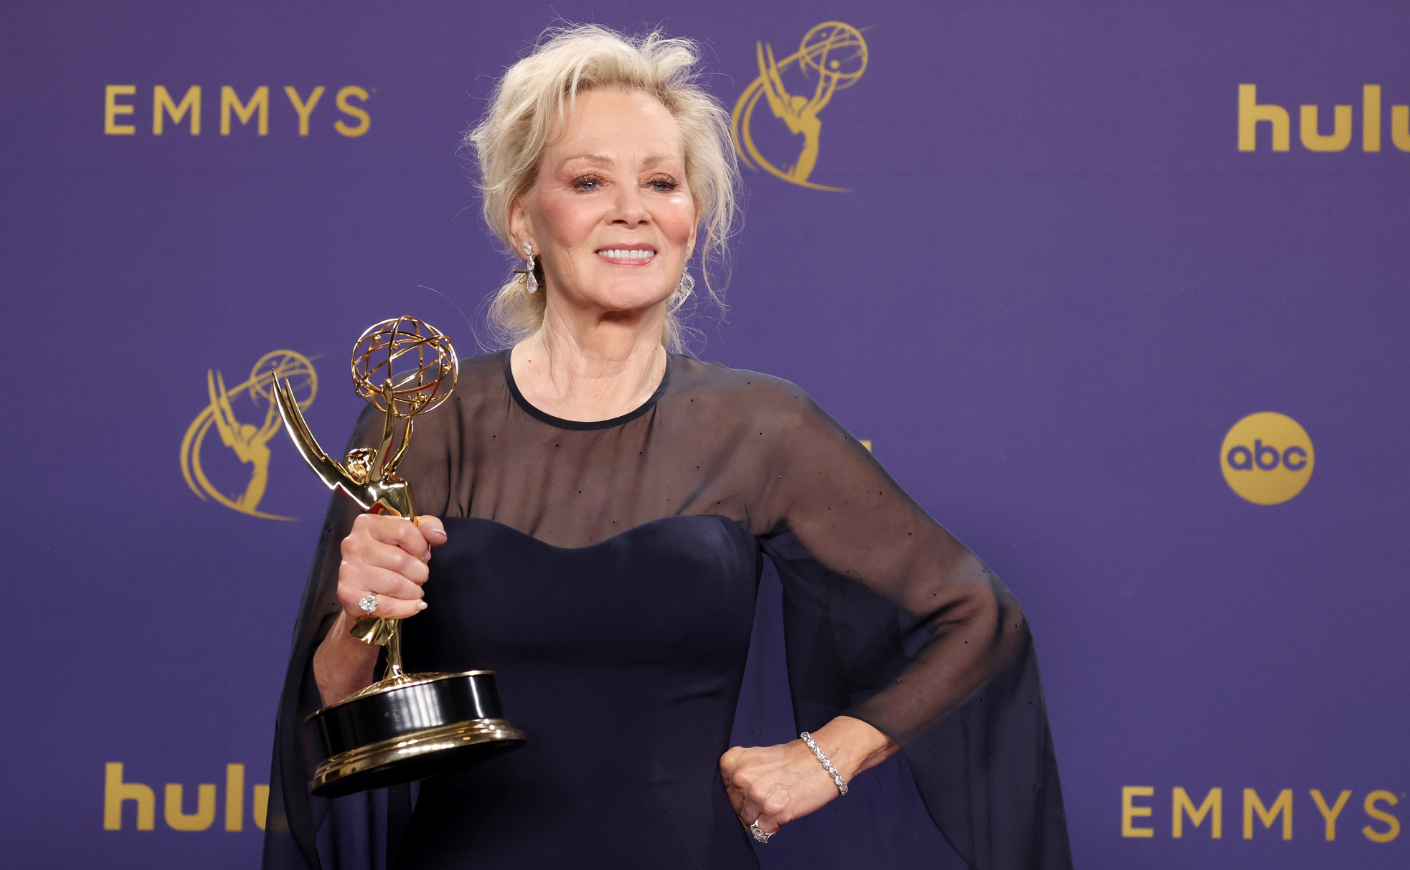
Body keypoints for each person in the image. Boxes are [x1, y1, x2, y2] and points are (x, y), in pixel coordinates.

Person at [263, 24, 1071, 870]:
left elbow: (977, 617)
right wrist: (363, 615)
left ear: (693, 219)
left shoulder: (762, 426)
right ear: (523, 221)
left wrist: (828, 755)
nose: (632, 209)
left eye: (661, 181)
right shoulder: (430, 417)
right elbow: (331, 716)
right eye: (588, 180)